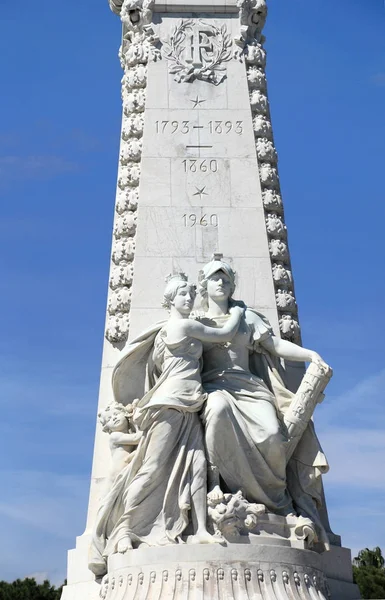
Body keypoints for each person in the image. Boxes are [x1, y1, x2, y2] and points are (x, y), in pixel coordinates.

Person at [89, 274, 244, 575]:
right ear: (171, 300)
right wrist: (237, 311)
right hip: (169, 405)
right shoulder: (181, 326)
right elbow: (226, 331)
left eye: (190, 294)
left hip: (189, 404)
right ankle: (123, 529)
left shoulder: (166, 332)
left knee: (198, 465)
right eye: (183, 295)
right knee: (151, 468)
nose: (190, 299)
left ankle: (199, 529)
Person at [197, 256, 331, 547]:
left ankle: (271, 496)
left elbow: (275, 345)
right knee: (217, 410)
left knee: (272, 433)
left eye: (225, 278)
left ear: (232, 285)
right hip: (215, 386)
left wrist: (310, 355)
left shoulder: (247, 318)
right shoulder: (198, 321)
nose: (220, 282)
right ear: (203, 285)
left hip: (249, 388)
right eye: (214, 278)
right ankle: (213, 485)